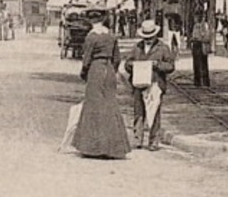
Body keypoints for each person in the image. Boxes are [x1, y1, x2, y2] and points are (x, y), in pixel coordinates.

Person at [73, 13, 130, 159]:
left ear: (92, 21)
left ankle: (93, 147)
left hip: (96, 69)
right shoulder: (111, 36)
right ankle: (113, 147)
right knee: (110, 105)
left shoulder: (91, 36)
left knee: (94, 105)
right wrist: (112, 70)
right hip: (109, 69)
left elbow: (87, 59)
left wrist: (84, 72)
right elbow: (117, 58)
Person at [125, 20, 177, 150]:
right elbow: (127, 63)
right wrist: (131, 65)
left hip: (155, 83)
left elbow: (170, 66)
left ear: (155, 36)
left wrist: (157, 65)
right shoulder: (137, 47)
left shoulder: (163, 48)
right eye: (145, 37)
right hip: (138, 83)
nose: (147, 40)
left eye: (150, 37)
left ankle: (153, 141)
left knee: (154, 113)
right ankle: (138, 139)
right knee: (138, 112)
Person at [188, 16, 213, 88]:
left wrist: (199, 38)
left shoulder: (204, 25)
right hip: (195, 46)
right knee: (196, 64)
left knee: (203, 64)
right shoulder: (195, 26)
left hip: (202, 46)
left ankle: (205, 82)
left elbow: (207, 37)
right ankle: (197, 82)